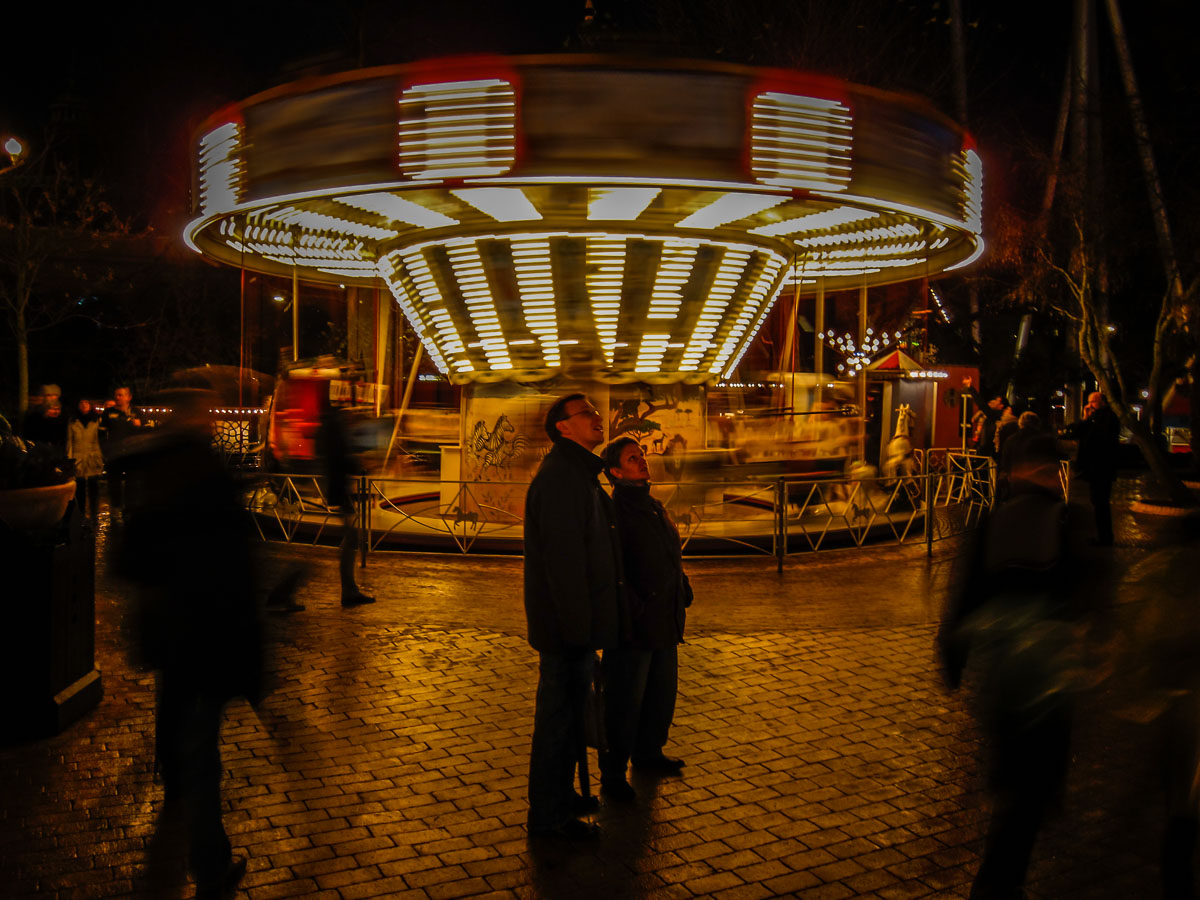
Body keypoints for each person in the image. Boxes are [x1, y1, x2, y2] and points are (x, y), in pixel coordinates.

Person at [114, 389, 263, 899]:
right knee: (203, 749)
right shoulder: (209, 478)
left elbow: (129, 559)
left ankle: (177, 792)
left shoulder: (152, 473)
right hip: (208, 630)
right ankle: (209, 862)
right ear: (197, 422)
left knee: (180, 720)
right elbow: (235, 569)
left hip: (171, 629)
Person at [939, 435, 1091, 899]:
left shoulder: (994, 523)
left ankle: (1003, 870)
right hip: (1045, 680)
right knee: (1028, 790)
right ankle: (999, 881)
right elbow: (1082, 591)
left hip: (1007, 677)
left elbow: (966, 593)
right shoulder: (1062, 522)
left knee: (1015, 780)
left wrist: (953, 656)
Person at [524, 393, 624, 840]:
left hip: (573, 624)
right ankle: (549, 815)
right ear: (563, 427)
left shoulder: (577, 473)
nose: (597, 418)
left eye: (595, 412)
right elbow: (564, 563)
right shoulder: (564, 478)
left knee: (565, 718)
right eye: (587, 413)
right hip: (567, 629)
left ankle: (560, 796)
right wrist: (579, 630)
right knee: (558, 721)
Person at [598, 437, 692, 802]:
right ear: (615, 471)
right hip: (636, 626)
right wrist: (634, 607)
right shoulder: (617, 511)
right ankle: (613, 771)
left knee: (660, 692)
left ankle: (649, 751)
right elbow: (614, 568)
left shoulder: (651, 505)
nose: (642, 461)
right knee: (624, 698)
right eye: (632, 458)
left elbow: (668, 554)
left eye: (642, 456)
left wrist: (680, 587)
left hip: (664, 619)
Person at [316, 403, 374, 607]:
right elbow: (341, 458)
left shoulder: (328, 424)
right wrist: (359, 466)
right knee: (351, 539)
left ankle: (350, 588)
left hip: (337, 489)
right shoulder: (336, 426)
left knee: (351, 538)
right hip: (340, 490)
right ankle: (349, 590)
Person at [1075, 391, 1120, 545]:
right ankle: (1103, 536)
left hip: (1101, 467)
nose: (1090, 405)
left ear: (1103, 402)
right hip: (1095, 467)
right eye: (1089, 402)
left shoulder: (1108, 418)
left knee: (1101, 502)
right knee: (1097, 501)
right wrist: (1085, 417)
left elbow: (1100, 438)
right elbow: (1079, 432)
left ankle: (1105, 537)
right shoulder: (1094, 417)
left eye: (1093, 401)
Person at [99, 386, 143, 513]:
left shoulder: (136, 412)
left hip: (132, 454)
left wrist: (139, 426)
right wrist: (105, 450)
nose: (117, 397)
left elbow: (144, 432)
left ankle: (129, 510)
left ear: (129, 397)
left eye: (120, 395)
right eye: (116, 395)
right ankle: (116, 509)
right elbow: (101, 434)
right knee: (114, 484)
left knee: (132, 483)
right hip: (115, 455)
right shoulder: (108, 413)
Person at [67, 398, 104, 517]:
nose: (84, 405)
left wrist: (100, 457)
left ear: (90, 405)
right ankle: (81, 513)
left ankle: (94, 512)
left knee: (94, 487)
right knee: (80, 488)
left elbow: (99, 440)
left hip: (92, 457)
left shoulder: (96, 420)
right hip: (78, 458)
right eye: (81, 403)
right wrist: (70, 459)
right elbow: (69, 442)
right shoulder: (73, 421)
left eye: (86, 403)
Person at [23, 383, 67, 448]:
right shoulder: (36, 413)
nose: (52, 398)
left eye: (55, 395)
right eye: (48, 395)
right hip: (39, 447)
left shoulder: (62, 414)